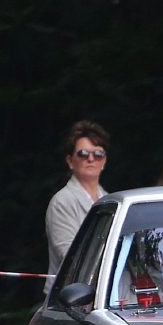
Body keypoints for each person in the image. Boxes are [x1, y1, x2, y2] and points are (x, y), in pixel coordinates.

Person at [45, 121, 109, 287]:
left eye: (98, 154)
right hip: (68, 297)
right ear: (70, 161)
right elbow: (69, 255)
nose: (91, 158)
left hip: (101, 294)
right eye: (83, 153)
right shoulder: (62, 201)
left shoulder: (110, 200)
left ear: (104, 161)